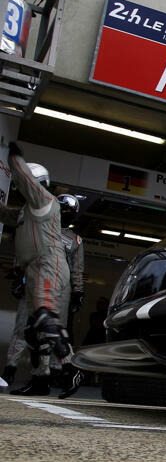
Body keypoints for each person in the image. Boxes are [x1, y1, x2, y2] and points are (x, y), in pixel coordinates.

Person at [0, 144, 72, 397]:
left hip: (48, 264)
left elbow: (24, 179)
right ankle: (40, 381)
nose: (20, 189)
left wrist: (14, 157)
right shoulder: (25, 211)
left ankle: (70, 369)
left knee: (45, 318)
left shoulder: (44, 200)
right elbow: (7, 216)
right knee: (33, 331)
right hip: (33, 269)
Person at [55, 193, 85, 399]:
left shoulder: (75, 240)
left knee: (55, 328)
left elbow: (77, 268)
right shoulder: (43, 231)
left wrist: (78, 291)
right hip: (41, 281)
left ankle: (69, 369)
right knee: (33, 329)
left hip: (62, 287)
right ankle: (50, 373)